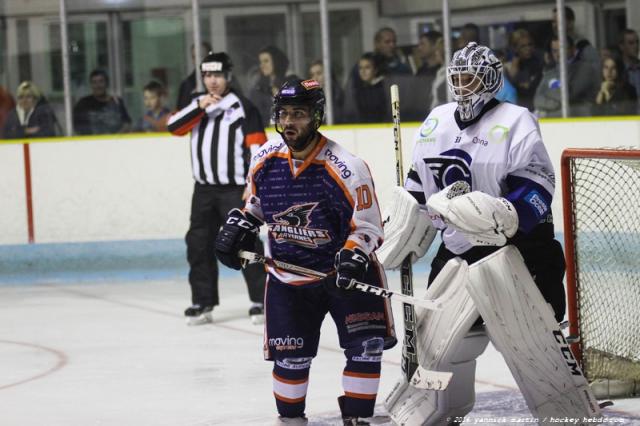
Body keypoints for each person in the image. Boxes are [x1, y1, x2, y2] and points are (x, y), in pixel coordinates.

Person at [385, 41, 570, 425]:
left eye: (469, 78)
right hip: (454, 251)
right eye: (457, 78)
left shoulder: (517, 120)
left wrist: (508, 215)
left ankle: (566, 414)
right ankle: (438, 412)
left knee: (532, 345)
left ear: (489, 79)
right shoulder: (436, 120)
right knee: (436, 341)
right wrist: (408, 225)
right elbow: (420, 182)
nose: (462, 86)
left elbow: (538, 186)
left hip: (515, 251)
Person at [214, 78, 397, 425]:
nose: (288, 123)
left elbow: (368, 225)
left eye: (298, 114)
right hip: (288, 278)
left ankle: (357, 418)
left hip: (344, 276)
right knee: (291, 359)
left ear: (316, 116)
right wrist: (241, 225)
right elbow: (255, 205)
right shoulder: (265, 159)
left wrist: (354, 256)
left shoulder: (346, 167)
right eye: (283, 114)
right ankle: (292, 420)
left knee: (366, 348)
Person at [167, 52, 267, 326]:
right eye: (207, 75)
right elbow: (172, 127)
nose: (212, 81)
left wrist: (253, 184)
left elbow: (258, 149)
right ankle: (203, 302)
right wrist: (199, 106)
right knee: (198, 245)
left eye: (217, 75)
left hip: (234, 190)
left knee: (244, 241)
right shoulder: (196, 106)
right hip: (203, 191)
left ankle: (262, 299)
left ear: (228, 76)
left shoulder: (243, 107)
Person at [534, 35, 600, 117]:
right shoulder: (550, 73)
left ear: (573, 49)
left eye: (562, 49)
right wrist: (556, 105)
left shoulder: (585, 69)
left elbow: (568, 95)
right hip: (557, 120)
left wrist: (549, 96)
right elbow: (537, 100)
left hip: (581, 120)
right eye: (555, 51)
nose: (558, 54)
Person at [249, 45, 299, 127]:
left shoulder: (292, 83)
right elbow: (254, 115)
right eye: (261, 62)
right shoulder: (257, 88)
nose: (262, 65)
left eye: (266, 61)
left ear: (276, 61)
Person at [73, 69, 132, 135]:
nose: (98, 85)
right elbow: (77, 128)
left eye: (101, 81)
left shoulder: (117, 102)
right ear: (91, 85)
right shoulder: (83, 104)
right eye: (94, 82)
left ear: (106, 83)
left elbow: (127, 124)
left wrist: (115, 137)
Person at [343, 52, 389, 123]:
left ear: (375, 70)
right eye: (360, 68)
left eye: (367, 67)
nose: (363, 71)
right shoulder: (356, 90)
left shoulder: (383, 88)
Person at [505, 28, 544, 111]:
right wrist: (515, 65)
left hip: (537, 109)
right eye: (523, 46)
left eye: (530, 44)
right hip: (516, 110)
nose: (528, 48)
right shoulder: (507, 68)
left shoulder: (540, 63)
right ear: (515, 48)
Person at [175, 41, 213, 110]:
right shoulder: (187, 84)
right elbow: (182, 111)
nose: (199, 60)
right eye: (195, 57)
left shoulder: (222, 79)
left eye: (202, 56)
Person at [618, 28, 640, 104]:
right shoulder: (617, 70)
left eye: (637, 42)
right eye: (631, 43)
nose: (636, 46)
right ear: (622, 46)